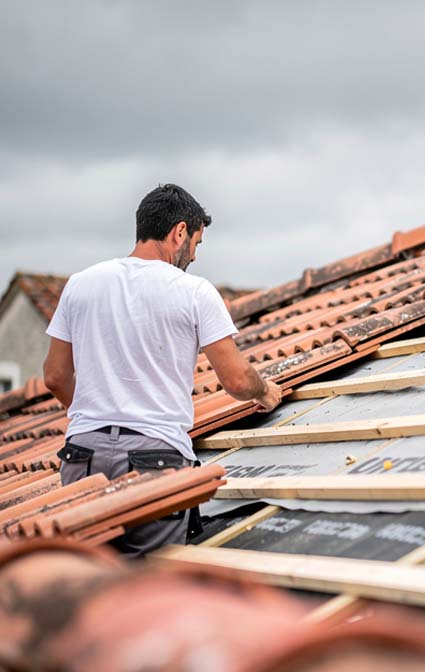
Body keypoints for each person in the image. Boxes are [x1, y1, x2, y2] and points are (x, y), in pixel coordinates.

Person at [43, 183, 282, 556]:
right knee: (147, 580)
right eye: (197, 243)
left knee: (89, 576)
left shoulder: (81, 285)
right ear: (180, 232)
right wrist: (265, 392)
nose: (194, 256)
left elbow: (55, 377)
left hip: (82, 456)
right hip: (154, 459)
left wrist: (97, 413)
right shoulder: (194, 292)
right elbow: (236, 380)